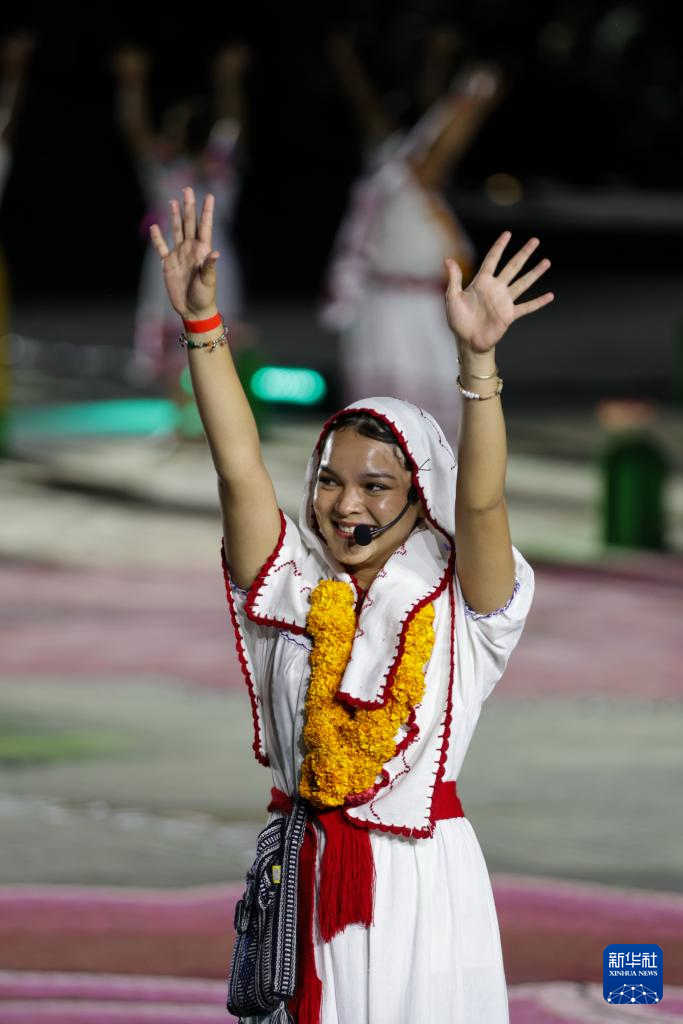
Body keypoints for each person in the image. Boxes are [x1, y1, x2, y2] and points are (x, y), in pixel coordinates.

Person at [149, 187, 553, 1023]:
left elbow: (481, 504)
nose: (345, 504)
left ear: (419, 496)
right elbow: (238, 469)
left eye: (376, 486)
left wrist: (477, 367)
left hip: (421, 887)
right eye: (329, 481)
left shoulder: (461, 600)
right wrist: (201, 324)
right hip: (299, 876)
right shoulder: (288, 585)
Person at [321, 34, 504, 449]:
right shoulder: (398, 174)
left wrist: (461, 89)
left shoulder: (417, 184)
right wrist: (471, 102)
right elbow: (439, 137)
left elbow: (438, 129)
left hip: (422, 310)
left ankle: (429, 473)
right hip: (388, 309)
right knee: (386, 416)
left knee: (431, 418)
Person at [111, 43, 247, 425]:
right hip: (168, 257)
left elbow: (233, 125)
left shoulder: (220, 169)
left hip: (216, 260)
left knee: (217, 335)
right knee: (173, 337)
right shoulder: (163, 169)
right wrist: (132, 83)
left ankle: (217, 420)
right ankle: (180, 416)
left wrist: (229, 79)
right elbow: (134, 129)